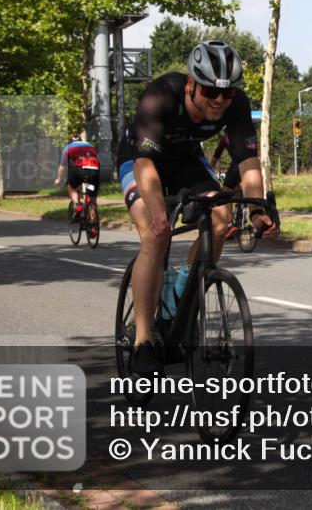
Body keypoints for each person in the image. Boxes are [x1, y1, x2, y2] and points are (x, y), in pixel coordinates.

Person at [116, 40, 278, 377]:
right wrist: (158, 213)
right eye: (209, 91)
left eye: (226, 92)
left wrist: (256, 209)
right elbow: (146, 165)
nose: (218, 99)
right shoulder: (161, 96)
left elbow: (248, 162)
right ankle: (143, 341)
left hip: (186, 160)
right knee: (156, 233)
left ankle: (180, 297)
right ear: (191, 84)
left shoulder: (235, 105)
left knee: (221, 218)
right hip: (141, 160)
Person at [55, 134, 100, 219]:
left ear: (69, 141)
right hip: (95, 169)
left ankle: (77, 206)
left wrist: (59, 179)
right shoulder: (89, 145)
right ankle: (93, 221)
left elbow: (62, 166)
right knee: (92, 194)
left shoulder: (68, 147)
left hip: (80, 168)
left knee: (71, 186)